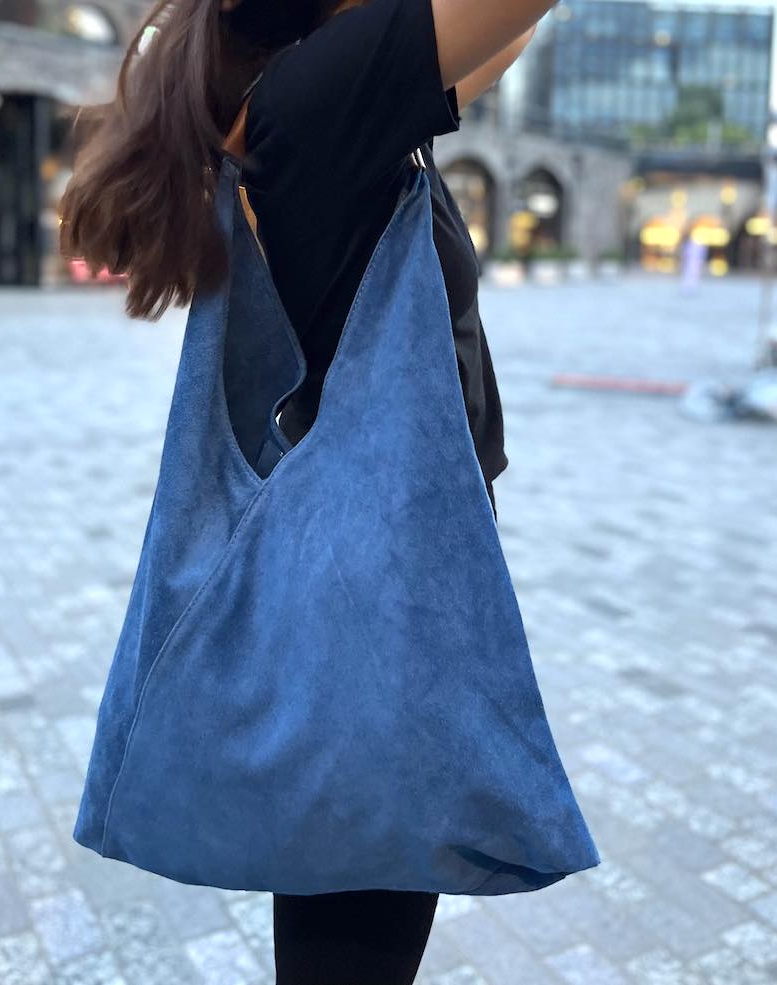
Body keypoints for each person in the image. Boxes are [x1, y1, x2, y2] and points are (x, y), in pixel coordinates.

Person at [59, 1, 554, 981]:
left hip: (364, 587)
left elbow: (507, 37)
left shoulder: (316, 100)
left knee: (345, 910)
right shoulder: (320, 98)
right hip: (379, 602)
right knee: (357, 929)